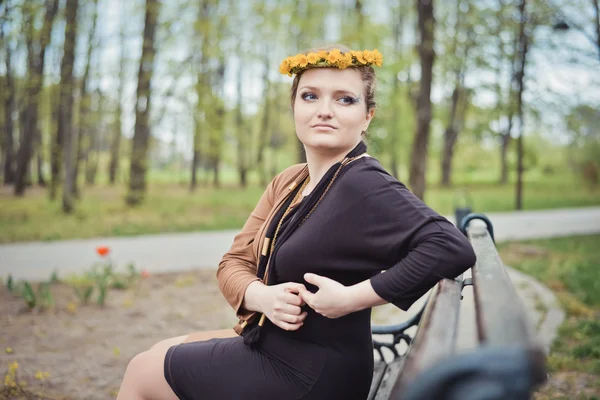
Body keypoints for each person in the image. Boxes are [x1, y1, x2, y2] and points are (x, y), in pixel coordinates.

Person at [116, 45, 476, 400]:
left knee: (144, 371)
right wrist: (263, 296)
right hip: (271, 345)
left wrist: (352, 298)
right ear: (294, 108)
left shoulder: (363, 182)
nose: (324, 111)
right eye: (310, 96)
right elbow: (234, 262)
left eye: (344, 99)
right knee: (161, 350)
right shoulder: (290, 181)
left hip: (312, 372)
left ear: (368, 116)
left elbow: (450, 246)